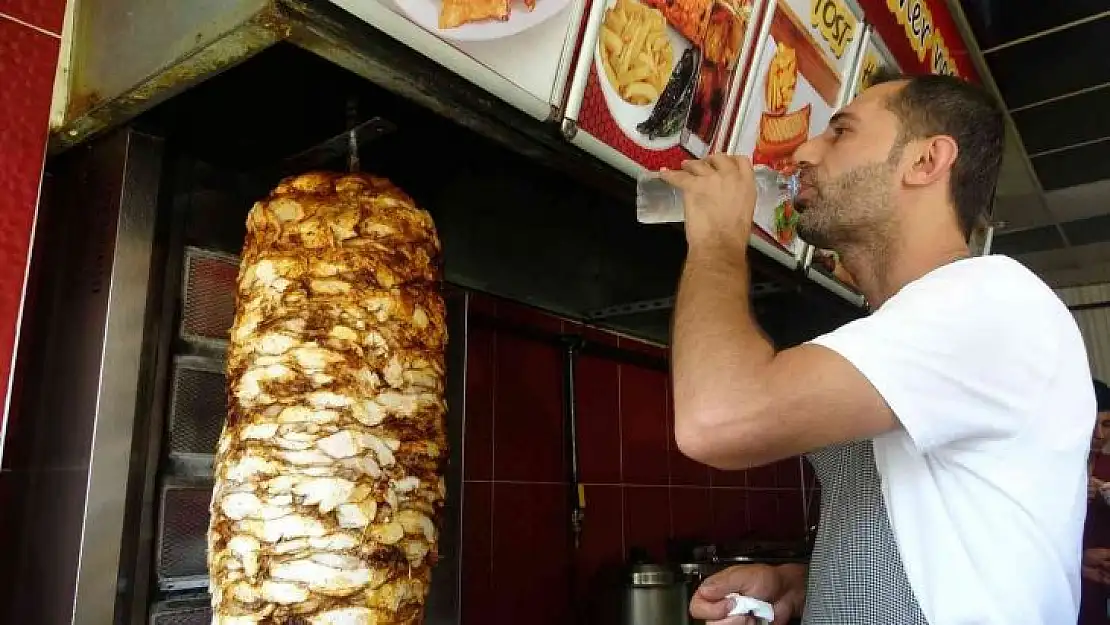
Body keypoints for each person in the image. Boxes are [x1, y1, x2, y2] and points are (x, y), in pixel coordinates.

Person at [664, 70, 1094, 625]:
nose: (805, 148)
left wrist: (719, 239)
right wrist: (800, 585)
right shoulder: (904, 329)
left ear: (926, 161)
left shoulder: (989, 300)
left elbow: (717, 418)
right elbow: (929, 532)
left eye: (840, 132)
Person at [1080, 380, 1110, 622]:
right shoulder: (1052, 475)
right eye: (1092, 424)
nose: (1099, 435)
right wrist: (1079, 557)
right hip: (1071, 590)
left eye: (1107, 424)